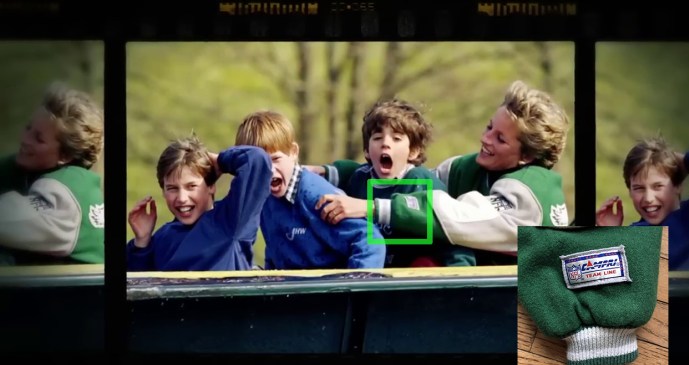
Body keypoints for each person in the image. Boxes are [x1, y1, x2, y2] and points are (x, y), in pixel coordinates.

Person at [314, 80, 571, 265]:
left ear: (526, 156)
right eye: (489, 127)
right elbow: (409, 181)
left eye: (500, 139)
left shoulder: (529, 195)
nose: (485, 138)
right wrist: (329, 173)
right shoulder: (469, 167)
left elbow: (454, 216)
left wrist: (366, 206)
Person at [308, 99, 476, 267]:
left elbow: (450, 233)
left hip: (416, 278)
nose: (385, 144)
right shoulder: (360, 179)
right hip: (372, 273)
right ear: (367, 149)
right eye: (377, 138)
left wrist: (459, 277)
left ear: (413, 151)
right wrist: (319, 172)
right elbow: (351, 171)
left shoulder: (422, 182)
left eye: (396, 138)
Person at [234, 110, 386, 270]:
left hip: (326, 288)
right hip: (289, 286)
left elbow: (369, 242)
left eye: (275, 159)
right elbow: (276, 250)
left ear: (293, 152)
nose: (269, 170)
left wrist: (355, 288)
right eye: (259, 163)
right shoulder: (264, 196)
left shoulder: (316, 196)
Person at [126, 135, 272, 271]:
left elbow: (256, 160)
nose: (182, 198)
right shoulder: (162, 237)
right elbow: (138, 287)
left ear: (211, 186)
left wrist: (220, 161)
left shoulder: (231, 221)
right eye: (172, 188)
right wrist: (142, 241)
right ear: (163, 191)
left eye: (191, 187)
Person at [0, 82, 104, 265]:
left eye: (38, 139)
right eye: (28, 128)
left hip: (77, 293)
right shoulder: (25, 167)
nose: (25, 140)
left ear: (65, 155)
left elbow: (7, 221)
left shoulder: (66, 190)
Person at [596, 137, 689, 270]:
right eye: (639, 188)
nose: (648, 198)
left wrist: (684, 161)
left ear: (678, 185)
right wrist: (610, 234)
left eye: (658, 186)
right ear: (629, 191)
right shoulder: (637, 234)